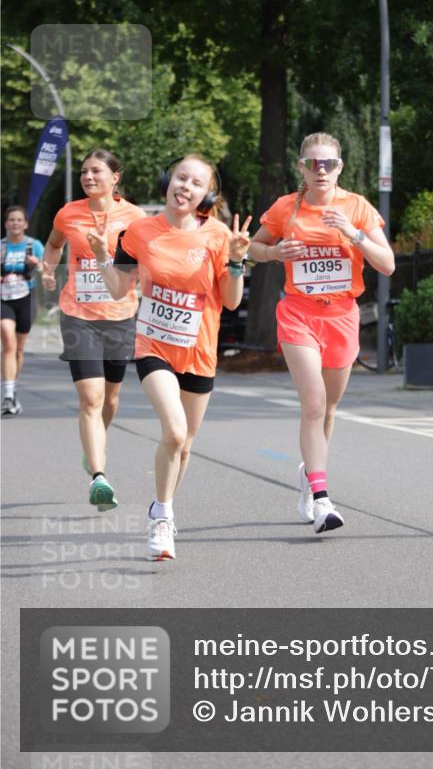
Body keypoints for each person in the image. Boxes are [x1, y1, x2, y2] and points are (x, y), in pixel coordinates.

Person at [89, 155, 251, 562]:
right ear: (168, 180)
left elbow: (230, 302)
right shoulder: (139, 231)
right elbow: (116, 290)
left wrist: (236, 261)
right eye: (181, 177)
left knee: (185, 443)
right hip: (153, 346)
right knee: (175, 433)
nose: (186, 187)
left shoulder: (216, 235)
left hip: (199, 350)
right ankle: (162, 518)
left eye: (196, 183)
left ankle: (162, 507)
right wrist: (99, 256)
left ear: (206, 194)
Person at [248, 132, 395, 534]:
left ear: (340, 167)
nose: (321, 171)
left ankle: (309, 475)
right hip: (298, 313)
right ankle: (321, 499)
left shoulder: (357, 207)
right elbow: (250, 250)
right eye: (313, 163)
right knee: (313, 403)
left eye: (328, 164)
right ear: (301, 167)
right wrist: (274, 253)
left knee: (328, 409)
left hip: (342, 316)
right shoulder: (285, 208)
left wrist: (354, 233)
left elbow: (387, 264)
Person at [41, 149, 145, 510]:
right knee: (91, 398)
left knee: (110, 399)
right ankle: (98, 476)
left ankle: (95, 446)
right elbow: (54, 245)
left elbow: (146, 261)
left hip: (119, 315)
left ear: (115, 177)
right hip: (78, 313)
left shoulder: (135, 217)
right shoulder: (69, 213)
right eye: (84, 171)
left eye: (96, 171)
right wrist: (47, 269)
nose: (87, 177)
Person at [1, 205, 45, 415]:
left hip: (27, 299)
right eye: (11, 220)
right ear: (5, 224)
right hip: (4, 300)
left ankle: (13, 389)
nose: (15, 223)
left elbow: (48, 270)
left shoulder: (33, 245)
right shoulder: (1, 247)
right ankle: (8, 396)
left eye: (19, 220)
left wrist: (37, 264)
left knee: (18, 348)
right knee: (8, 341)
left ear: (25, 224)